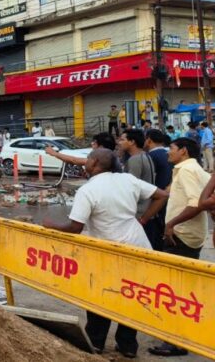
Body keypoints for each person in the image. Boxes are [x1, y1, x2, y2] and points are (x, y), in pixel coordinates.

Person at [43, 149, 169, 358]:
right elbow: (162, 195)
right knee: (131, 294)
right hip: (136, 247)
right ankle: (128, 345)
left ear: (94, 163)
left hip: (106, 251)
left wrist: (51, 226)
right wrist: (144, 219)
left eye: (88, 160)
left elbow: (75, 227)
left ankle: (96, 342)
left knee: (100, 295)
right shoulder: (128, 179)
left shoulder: (88, 190)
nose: (86, 163)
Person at [147, 137, 210, 357]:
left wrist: (171, 224)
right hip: (191, 234)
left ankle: (176, 341)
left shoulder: (186, 171)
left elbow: (196, 203)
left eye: (171, 149)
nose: (168, 153)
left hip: (181, 235)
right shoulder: (196, 170)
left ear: (183, 151)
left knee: (175, 290)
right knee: (183, 287)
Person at [143, 129, 172, 250]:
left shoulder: (150, 156)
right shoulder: (169, 153)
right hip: (169, 195)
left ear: (149, 140)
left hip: (157, 197)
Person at [119, 129, 155, 221]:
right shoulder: (145, 155)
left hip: (139, 211)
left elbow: (131, 188)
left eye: (122, 140)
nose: (119, 143)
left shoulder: (135, 160)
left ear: (132, 142)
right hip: (147, 207)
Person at [45, 132, 117, 167]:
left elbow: (74, 160)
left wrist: (54, 153)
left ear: (101, 147)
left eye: (94, 143)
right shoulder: (113, 157)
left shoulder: (101, 159)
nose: (91, 144)